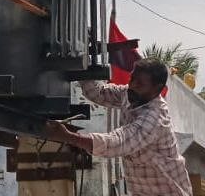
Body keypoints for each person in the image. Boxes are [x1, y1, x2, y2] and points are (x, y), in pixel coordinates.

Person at [45, 58, 193, 196]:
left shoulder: (154, 118)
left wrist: (68, 137)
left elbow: (117, 142)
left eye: (140, 84)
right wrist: (81, 64)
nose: (132, 85)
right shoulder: (128, 94)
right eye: (132, 78)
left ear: (157, 88)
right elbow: (97, 93)